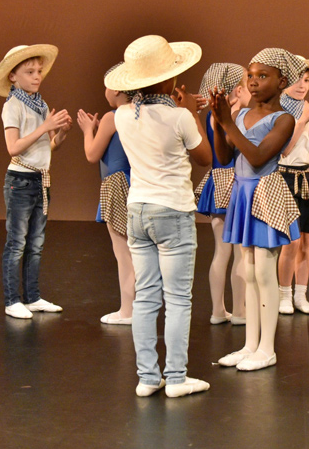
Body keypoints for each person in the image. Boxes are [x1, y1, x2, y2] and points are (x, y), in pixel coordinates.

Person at [105, 35, 212, 398]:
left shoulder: (122, 114)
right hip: (173, 210)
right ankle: (177, 378)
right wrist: (193, 112)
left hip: (138, 209)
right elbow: (206, 158)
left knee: (146, 297)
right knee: (179, 298)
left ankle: (147, 377)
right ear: (168, 81)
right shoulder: (180, 116)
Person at [210, 48, 304, 371]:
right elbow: (224, 158)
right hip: (242, 193)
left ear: (282, 81)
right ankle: (250, 344)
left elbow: (257, 156)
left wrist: (227, 123)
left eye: (262, 76)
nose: (253, 82)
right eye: (250, 75)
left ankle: (267, 348)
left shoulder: (284, 119)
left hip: (265, 193)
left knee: (265, 272)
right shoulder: (239, 116)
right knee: (247, 271)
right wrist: (216, 121)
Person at [0, 44, 72, 319]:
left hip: (40, 180)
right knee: (17, 242)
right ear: (13, 76)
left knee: (36, 244)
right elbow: (13, 147)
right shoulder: (12, 106)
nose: (37, 76)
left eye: (39, 71)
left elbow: (44, 148)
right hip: (20, 182)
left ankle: (33, 297)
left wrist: (59, 135)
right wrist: (45, 127)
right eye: (29, 72)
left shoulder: (40, 105)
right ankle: (12, 300)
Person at [76, 64, 136, 325]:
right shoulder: (136, 113)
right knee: (137, 251)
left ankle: (128, 310)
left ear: (118, 89)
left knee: (123, 252)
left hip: (116, 184)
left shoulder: (114, 117)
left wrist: (89, 130)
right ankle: (136, 308)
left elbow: (91, 154)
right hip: (136, 182)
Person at [194, 63, 250, 325]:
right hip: (236, 182)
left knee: (221, 251)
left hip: (216, 181)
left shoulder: (210, 115)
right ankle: (239, 311)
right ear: (237, 90)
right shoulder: (236, 116)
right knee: (239, 251)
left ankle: (218, 311)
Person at [277, 55, 309, 315]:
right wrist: (302, 118)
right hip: (285, 177)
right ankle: (284, 294)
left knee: (306, 241)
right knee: (290, 241)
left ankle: (301, 294)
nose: (302, 85)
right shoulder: (278, 110)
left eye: (306, 80)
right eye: (297, 79)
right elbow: (283, 150)